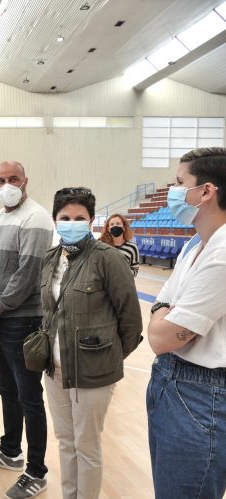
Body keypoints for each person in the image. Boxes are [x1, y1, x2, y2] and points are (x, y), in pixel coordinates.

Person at [41, 188, 142, 499]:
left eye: (79, 218)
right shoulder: (50, 259)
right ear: (56, 221)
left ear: (91, 220)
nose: (72, 223)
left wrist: (105, 356)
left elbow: (131, 321)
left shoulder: (109, 259)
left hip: (92, 372)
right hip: (54, 370)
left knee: (87, 446)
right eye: (65, 218)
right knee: (65, 440)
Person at [147, 147, 226, 499]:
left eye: (180, 183)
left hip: (201, 395)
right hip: (173, 382)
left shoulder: (222, 255)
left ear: (206, 191)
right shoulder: (194, 245)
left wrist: (164, 312)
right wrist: (166, 309)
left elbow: (161, 335)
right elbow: (163, 304)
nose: (173, 192)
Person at [0, 160, 54, 499]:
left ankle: (36, 471)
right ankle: (10, 451)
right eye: (0, 180)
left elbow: (27, 274)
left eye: (13, 179)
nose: (6, 184)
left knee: (29, 396)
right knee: (6, 388)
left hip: (21, 321)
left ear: (25, 181)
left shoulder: (36, 218)